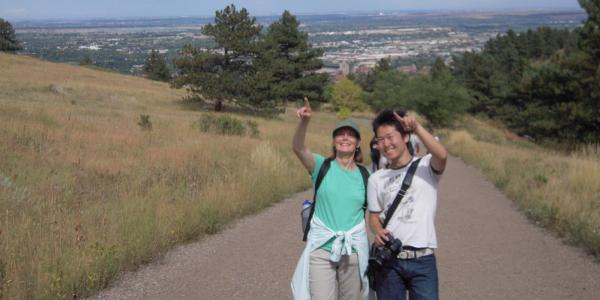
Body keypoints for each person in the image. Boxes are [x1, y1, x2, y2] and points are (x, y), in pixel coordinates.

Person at [291, 97, 371, 300]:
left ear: (358, 143)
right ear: (334, 141)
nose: (345, 138)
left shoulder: (366, 175)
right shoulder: (321, 166)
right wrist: (304, 122)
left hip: (353, 252)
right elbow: (298, 148)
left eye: (350, 135)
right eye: (340, 135)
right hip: (321, 250)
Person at [367, 110, 448, 300]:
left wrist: (417, 128)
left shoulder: (426, 166)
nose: (386, 144)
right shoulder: (377, 178)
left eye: (390, 137)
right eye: (380, 139)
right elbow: (374, 216)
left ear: (405, 137)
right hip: (389, 261)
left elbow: (442, 155)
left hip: (423, 260)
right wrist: (377, 231)